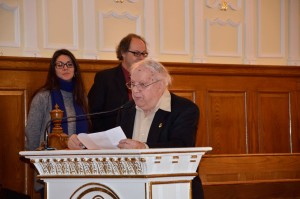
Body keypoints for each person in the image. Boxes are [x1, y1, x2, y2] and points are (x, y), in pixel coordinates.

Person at [68, 59, 204, 199]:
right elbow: (114, 144)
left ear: (160, 85)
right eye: (132, 84)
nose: (136, 90)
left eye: (142, 85)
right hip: (133, 191)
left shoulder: (184, 109)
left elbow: (182, 147)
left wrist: (144, 148)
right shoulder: (127, 110)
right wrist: (84, 143)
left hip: (175, 189)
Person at [25, 49, 90, 198]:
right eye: (60, 65)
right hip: (50, 171)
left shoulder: (82, 99)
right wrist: (41, 162)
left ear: (75, 69)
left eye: (69, 64)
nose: (65, 68)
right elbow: (32, 135)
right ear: (53, 70)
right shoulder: (42, 97)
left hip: (80, 171)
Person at [88, 33, 148, 132]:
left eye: (144, 54)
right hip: (113, 138)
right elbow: (95, 114)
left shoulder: (150, 79)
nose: (141, 58)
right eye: (136, 53)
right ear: (123, 53)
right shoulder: (105, 78)